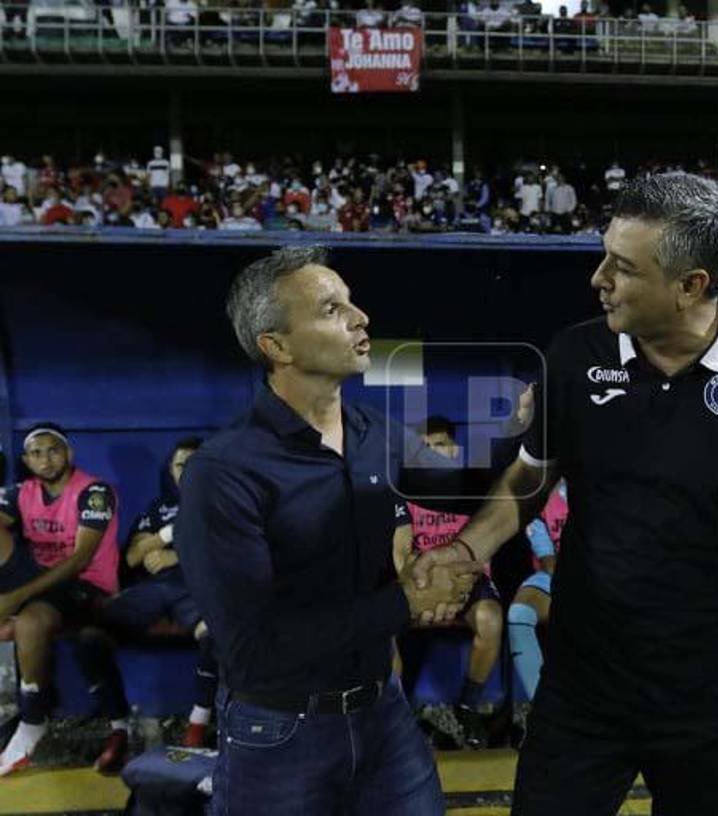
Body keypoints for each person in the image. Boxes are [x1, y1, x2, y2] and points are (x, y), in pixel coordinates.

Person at [414, 173, 718, 815]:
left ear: (690, 286)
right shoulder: (575, 353)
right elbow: (530, 476)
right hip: (585, 689)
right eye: (604, 256)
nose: (598, 279)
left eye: (622, 267)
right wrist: (468, 551)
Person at [174, 245, 483, 814]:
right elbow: (252, 648)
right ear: (277, 346)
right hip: (279, 732)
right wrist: (407, 602)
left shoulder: (377, 433)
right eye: (331, 308)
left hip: (383, 716)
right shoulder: (224, 471)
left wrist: (530, 432)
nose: (360, 317)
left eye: (352, 302)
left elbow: (474, 486)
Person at [74, 438, 218, 751]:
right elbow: (133, 557)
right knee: (87, 634)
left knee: (217, 635)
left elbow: (232, 551)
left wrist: (175, 555)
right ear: (171, 470)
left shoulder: (224, 504)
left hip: (198, 589)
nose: (190, 472)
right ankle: (118, 728)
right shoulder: (160, 507)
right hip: (151, 591)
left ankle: (197, 724)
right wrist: (167, 535)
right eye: (182, 465)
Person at [0, 423, 123, 776]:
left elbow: (81, 559)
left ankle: (33, 719)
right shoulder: (23, 492)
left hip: (85, 585)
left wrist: (13, 599)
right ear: (26, 460)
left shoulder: (94, 491)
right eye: (36, 453)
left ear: (68, 453)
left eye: (53, 450)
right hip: (42, 584)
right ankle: (31, 709)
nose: (46, 459)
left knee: (31, 621)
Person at [394, 416, 505, 749]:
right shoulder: (404, 491)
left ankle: (468, 706)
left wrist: (461, 585)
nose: (430, 454)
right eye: (423, 449)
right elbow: (401, 554)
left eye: (438, 446)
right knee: (383, 625)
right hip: (422, 581)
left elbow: (484, 546)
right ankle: (396, 718)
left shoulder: (473, 487)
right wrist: (420, 591)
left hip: (466, 579)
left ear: (454, 451)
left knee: (490, 619)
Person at [507, 481, 568, 702]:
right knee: (519, 613)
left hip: (605, 576)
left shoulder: (606, 487)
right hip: (555, 576)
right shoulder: (540, 495)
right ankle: (541, 706)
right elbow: (549, 563)